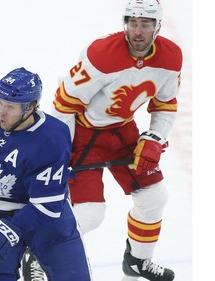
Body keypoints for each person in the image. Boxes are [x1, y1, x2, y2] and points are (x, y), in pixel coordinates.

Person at [50, 0, 183, 280]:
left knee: (154, 197)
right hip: (84, 134)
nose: (137, 30)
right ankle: (40, 255)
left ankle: (137, 261)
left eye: (145, 24)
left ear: (157, 26)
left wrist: (154, 137)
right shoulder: (102, 54)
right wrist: (60, 152)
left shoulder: (171, 58)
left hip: (123, 131)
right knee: (90, 214)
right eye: (132, 23)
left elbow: (165, 103)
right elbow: (64, 104)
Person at [0, 67, 92, 281]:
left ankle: (35, 255)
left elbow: (47, 206)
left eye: (10, 106)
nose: (1, 111)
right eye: (0, 102)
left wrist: (12, 229)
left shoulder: (52, 138)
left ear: (30, 108)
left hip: (46, 221)